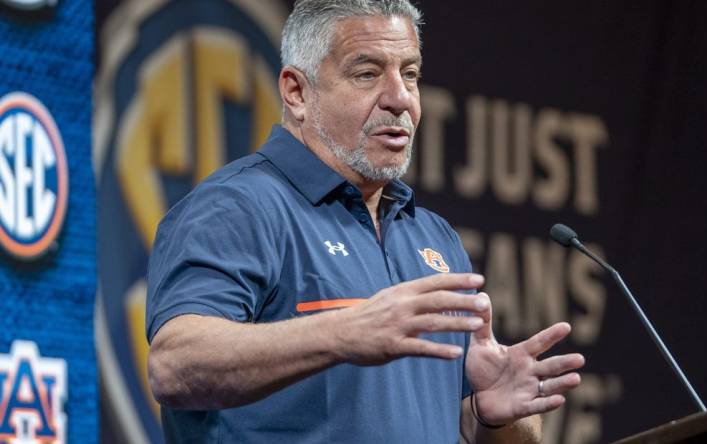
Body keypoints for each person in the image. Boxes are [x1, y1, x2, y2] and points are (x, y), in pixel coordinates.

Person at [146, 0, 585, 442]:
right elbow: (174, 365)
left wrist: (488, 415)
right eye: (367, 74)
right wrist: (344, 333)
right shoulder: (239, 206)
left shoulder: (433, 235)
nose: (400, 99)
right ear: (297, 92)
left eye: (409, 74)